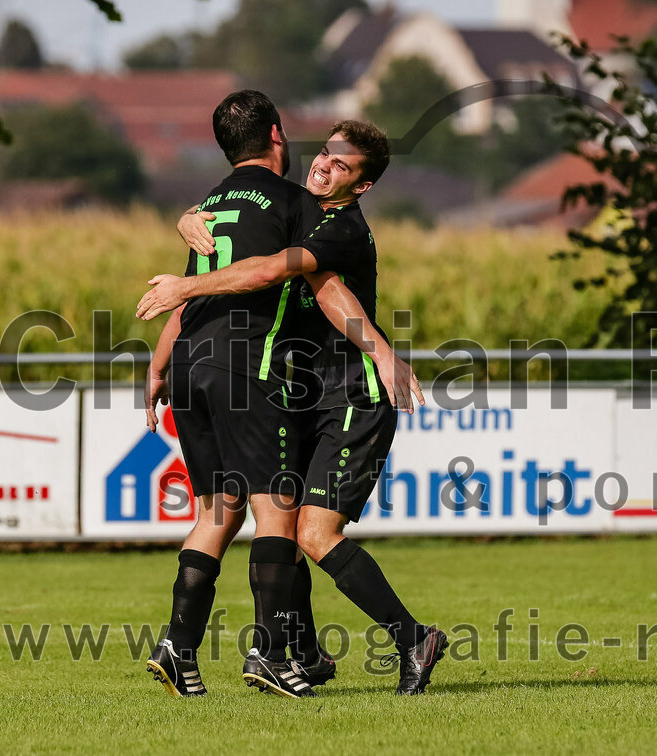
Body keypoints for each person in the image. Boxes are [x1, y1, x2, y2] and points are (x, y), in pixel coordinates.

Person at [138, 120, 448, 695]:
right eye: (326, 154)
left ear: (362, 186)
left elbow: (270, 270)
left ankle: (413, 639)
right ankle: (298, 653)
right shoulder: (301, 207)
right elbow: (232, 231)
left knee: (308, 531)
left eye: (343, 167)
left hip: (352, 392)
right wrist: (186, 219)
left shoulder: (340, 226)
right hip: (302, 394)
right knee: (278, 521)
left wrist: (383, 353)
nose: (325, 166)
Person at [144, 90, 327, 698]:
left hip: (191, 365)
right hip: (246, 367)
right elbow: (285, 272)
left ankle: (178, 647)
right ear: (277, 134)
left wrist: (157, 367)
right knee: (277, 506)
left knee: (217, 508)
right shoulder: (293, 202)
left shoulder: (210, 208)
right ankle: (273, 654)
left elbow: (187, 291)